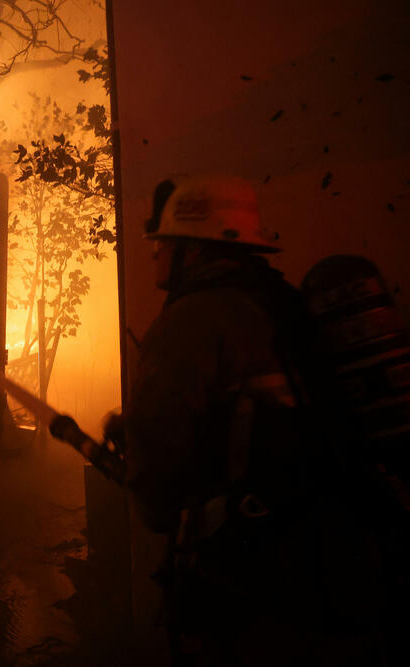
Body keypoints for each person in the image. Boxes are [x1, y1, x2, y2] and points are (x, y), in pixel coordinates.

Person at [112, 175, 386, 666]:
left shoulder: (192, 319)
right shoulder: (276, 302)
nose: (155, 254)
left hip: (244, 576)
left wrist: (146, 482)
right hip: (318, 554)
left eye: (163, 243)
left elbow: (156, 477)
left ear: (191, 248)